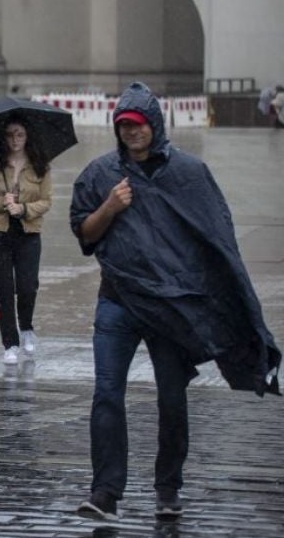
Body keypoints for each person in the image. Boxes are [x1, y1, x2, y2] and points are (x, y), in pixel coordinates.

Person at [70, 82, 281, 522]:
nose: (131, 133)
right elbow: (86, 235)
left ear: (155, 124)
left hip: (171, 310)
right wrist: (110, 207)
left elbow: (216, 241)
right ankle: (105, 493)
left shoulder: (189, 173)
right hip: (118, 303)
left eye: (139, 124)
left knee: (171, 397)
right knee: (107, 394)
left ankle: (168, 488)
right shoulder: (100, 174)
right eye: (124, 126)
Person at [0, 118, 52, 365]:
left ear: (28, 136)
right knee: (4, 290)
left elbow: (46, 201)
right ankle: (10, 343)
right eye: (9, 135)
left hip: (28, 232)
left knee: (28, 286)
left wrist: (23, 208)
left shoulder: (40, 165)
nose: (15, 140)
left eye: (20, 134)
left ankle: (26, 327)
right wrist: (0, 202)